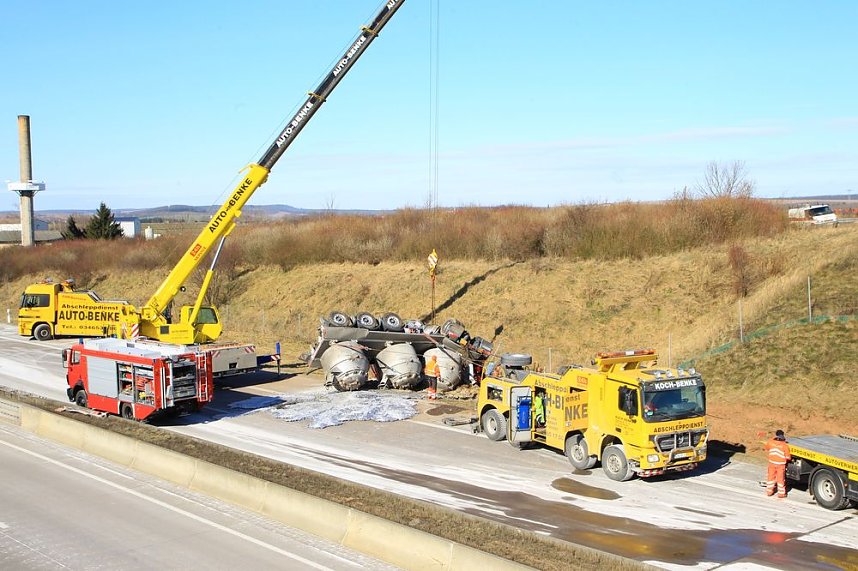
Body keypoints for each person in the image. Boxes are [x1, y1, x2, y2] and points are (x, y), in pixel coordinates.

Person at [764, 429, 791, 498]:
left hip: (772, 463)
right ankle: (781, 494)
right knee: (780, 478)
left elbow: (766, 448)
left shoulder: (770, 442)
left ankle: (769, 492)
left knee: (770, 477)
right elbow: (788, 457)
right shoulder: (785, 446)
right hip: (780, 464)